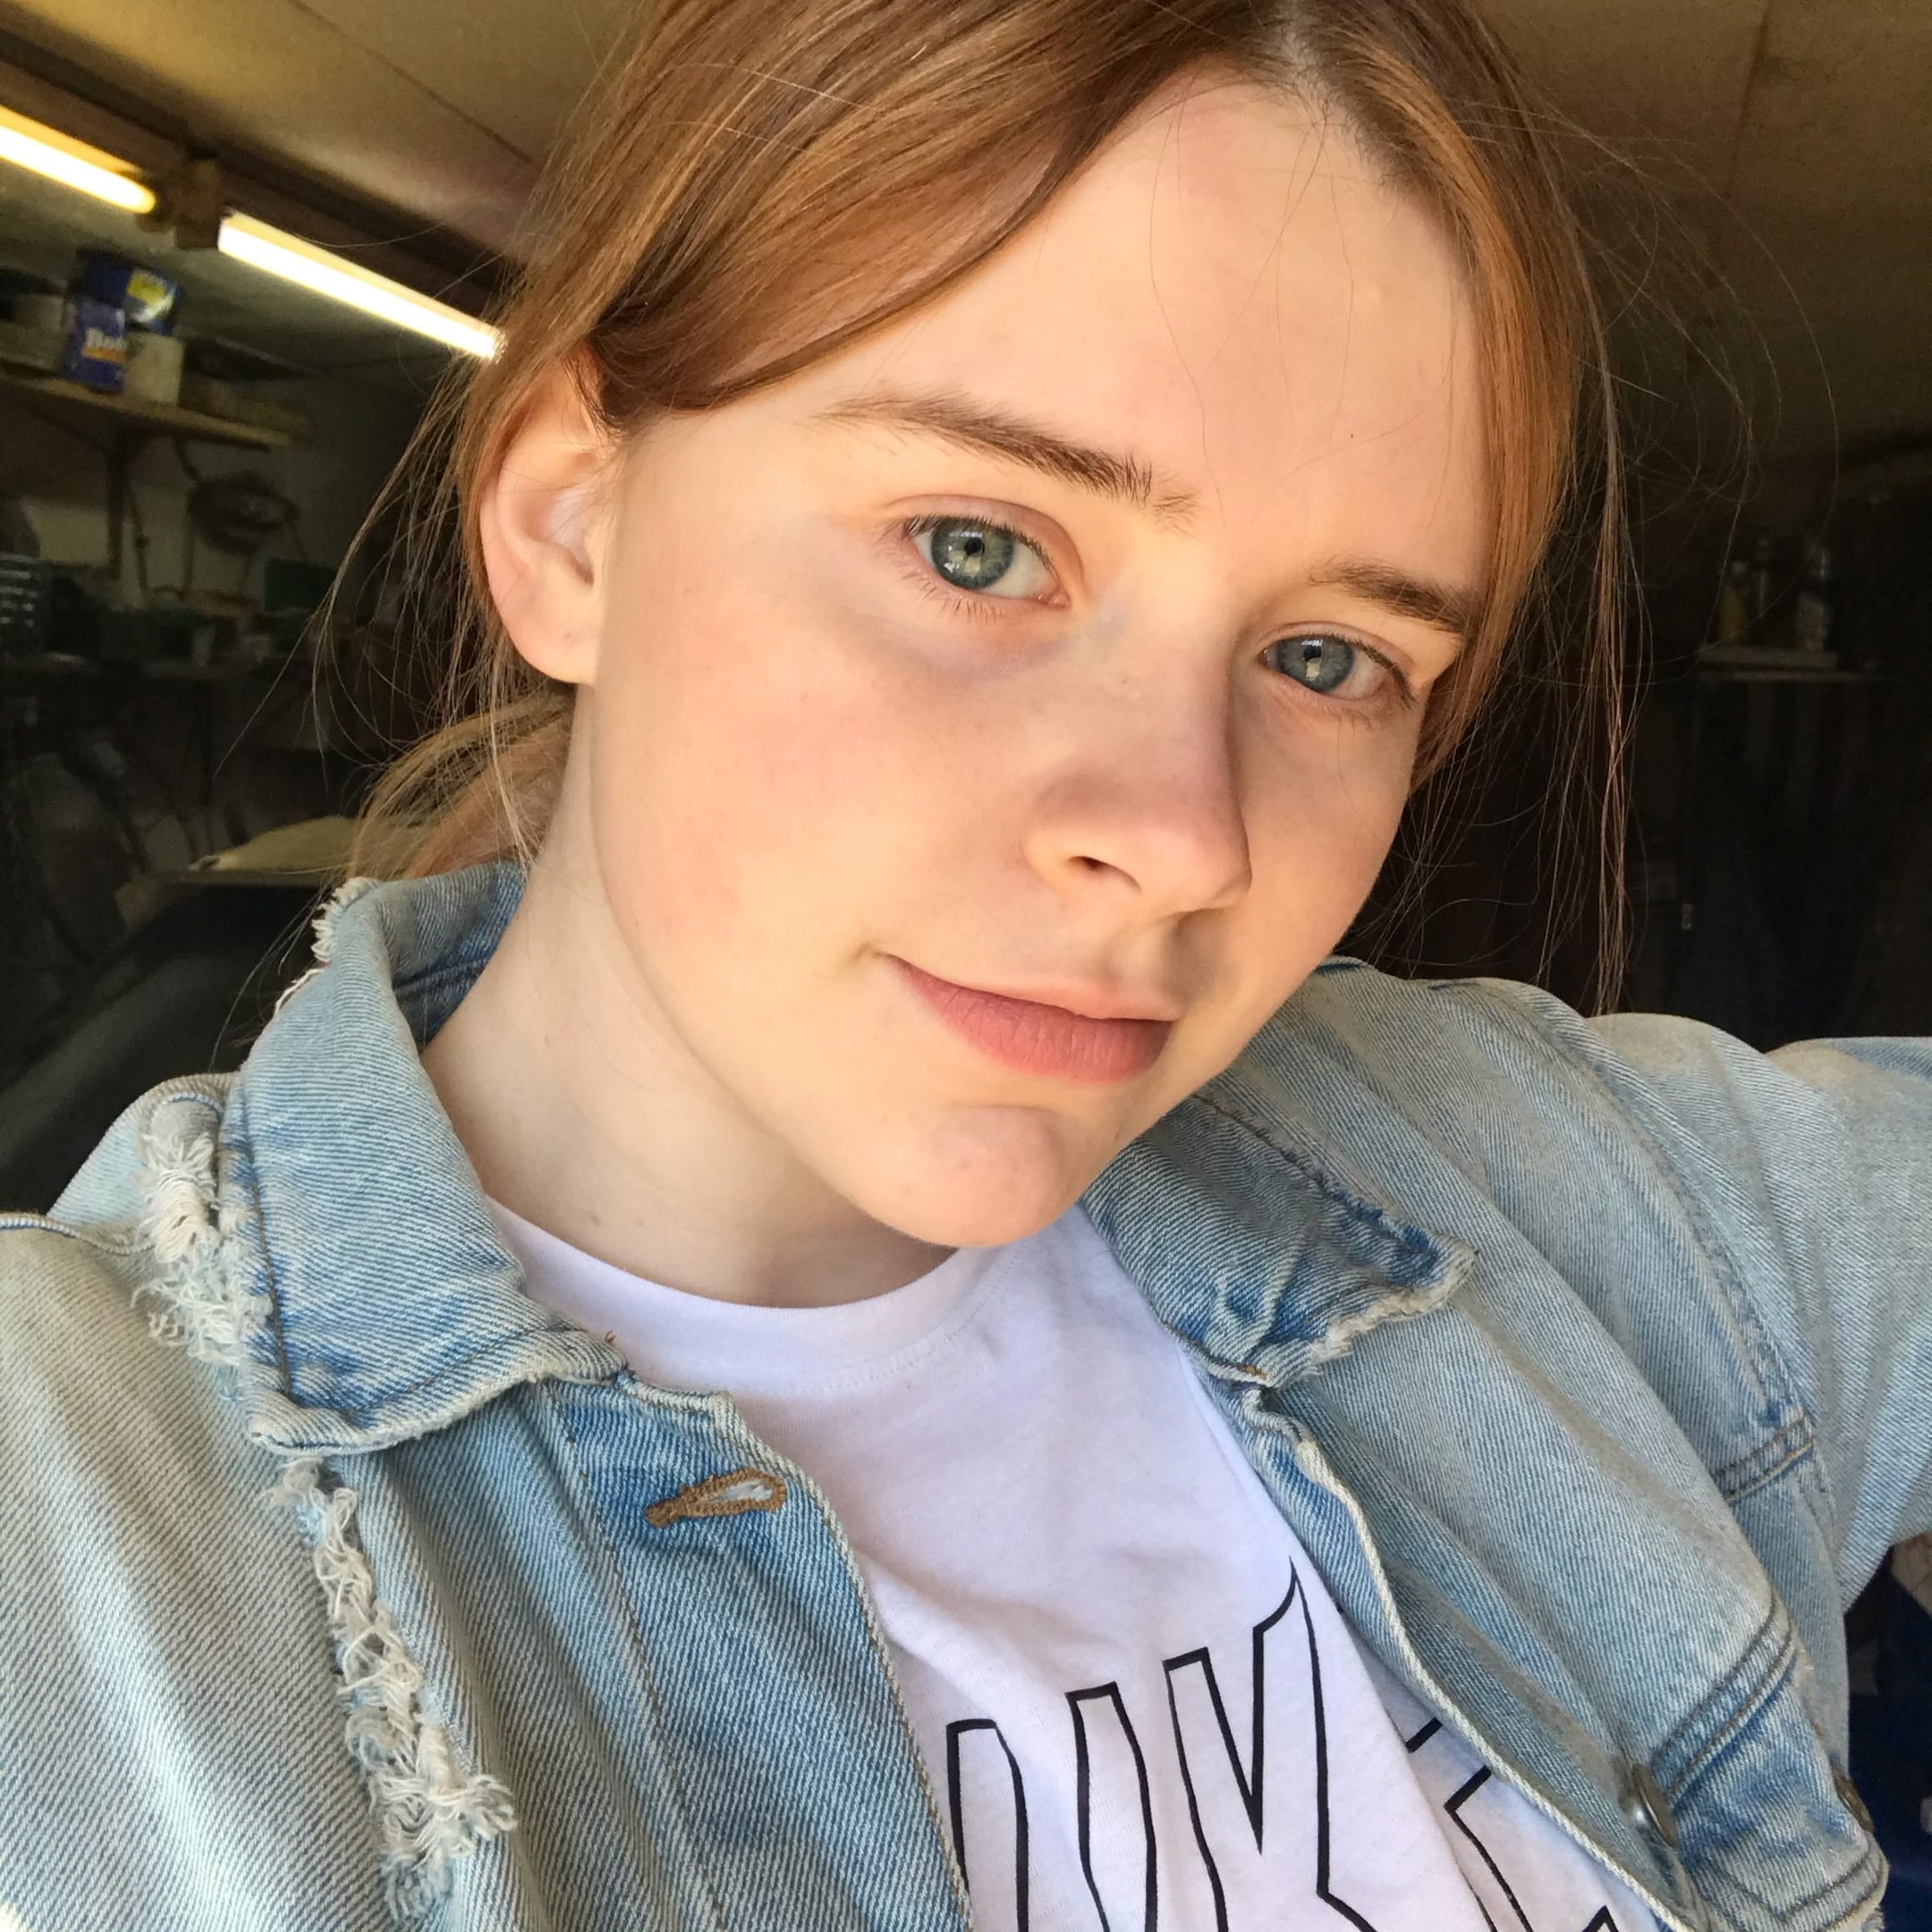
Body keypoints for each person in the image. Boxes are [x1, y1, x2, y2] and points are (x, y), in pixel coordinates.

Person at [2, 0, 1927, 1927]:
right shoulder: (81, 1528)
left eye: (1329, 657)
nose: (1187, 837)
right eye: (980, 549)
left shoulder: (1558, 1191)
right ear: (573, 523)